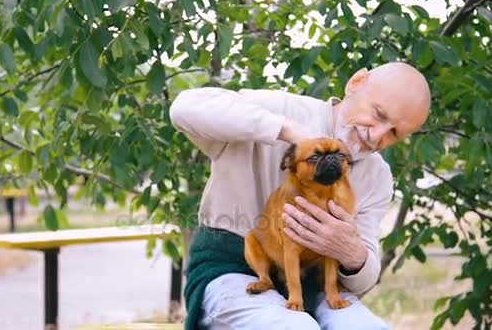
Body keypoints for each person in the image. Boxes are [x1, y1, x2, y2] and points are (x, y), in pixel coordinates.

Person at [170, 62, 431, 329]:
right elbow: (184, 108)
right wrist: (288, 131)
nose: (376, 136)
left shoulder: (377, 177)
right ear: (356, 83)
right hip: (229, 270)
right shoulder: (279, 109)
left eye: (394, 133)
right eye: (378, 114)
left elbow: (365, 277)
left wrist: (351, 253)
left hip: (314, 283)